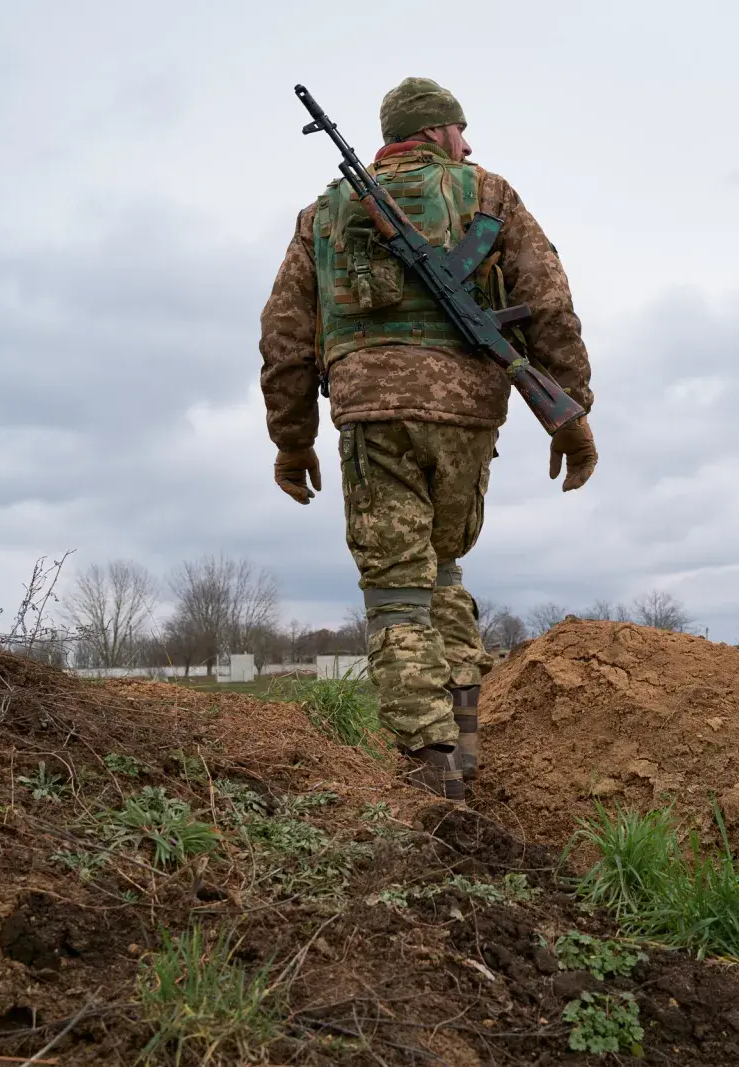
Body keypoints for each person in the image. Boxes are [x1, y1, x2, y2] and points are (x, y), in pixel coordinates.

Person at [258, 76, 597, 802]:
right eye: (459, 129)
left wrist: (293, 440)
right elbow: (551, 304)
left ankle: (429, 778)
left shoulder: (323, 213)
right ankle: (462, 757)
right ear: (436, 133)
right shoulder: (490, 195)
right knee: (441, 571)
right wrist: (572, 414)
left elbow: (285, 340)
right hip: (469, 419)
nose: (468, 144)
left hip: (372, 415)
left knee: (396, 597)